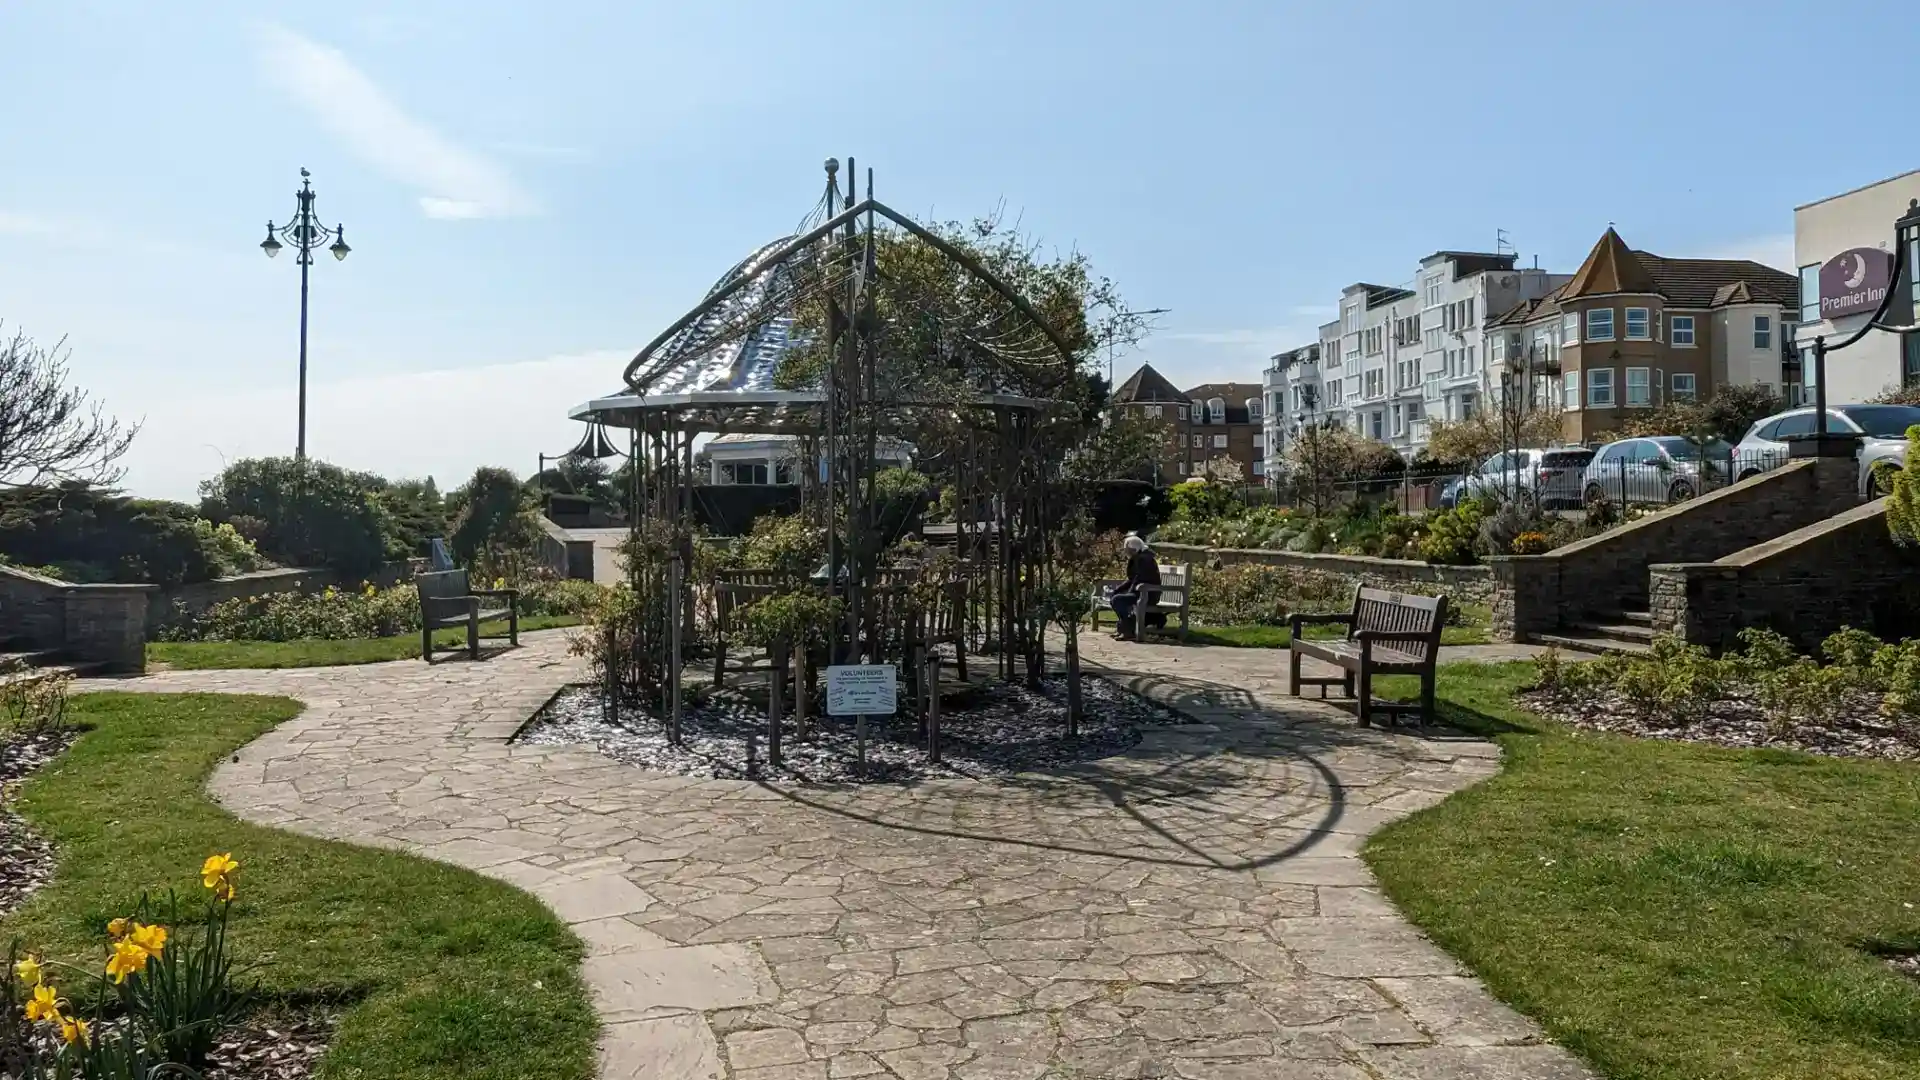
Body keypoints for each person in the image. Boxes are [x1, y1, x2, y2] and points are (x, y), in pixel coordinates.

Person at [1109, 534, 1161, 641]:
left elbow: (1140, 579)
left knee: (1117, 600)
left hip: (1148, 594)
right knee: (1116, 597)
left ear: (1134, 549)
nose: (1125, 552)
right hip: (1140, 592)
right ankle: (1125, 628)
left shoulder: (1145, 559)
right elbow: (1132, 579)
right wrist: (1118, 590)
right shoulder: (1138, 557)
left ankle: (1128, 630)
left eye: (1127, 549)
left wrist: (1128, 592)